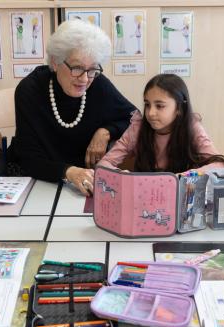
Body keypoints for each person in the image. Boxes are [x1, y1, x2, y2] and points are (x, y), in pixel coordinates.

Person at [8, 19, 138, 196]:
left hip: (82, 183)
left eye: (92, 69)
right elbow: (29, 158)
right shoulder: (30, 90)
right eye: (77, 68)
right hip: (36, 179)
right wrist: (69, 172)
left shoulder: (98, 84)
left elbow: (134, 119)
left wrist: (106, 131)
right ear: (55, 62)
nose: (85, 79)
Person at [98, 74, 224, 174]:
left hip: (181, 199)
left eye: (159, 106)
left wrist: (188, 175)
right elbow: (104, 163)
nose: (150, 113)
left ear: (179, 109)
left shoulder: (192, 128)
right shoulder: (138, 128)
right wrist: (121, 175)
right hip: (145, 197)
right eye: (147, 105)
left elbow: (219, 165)